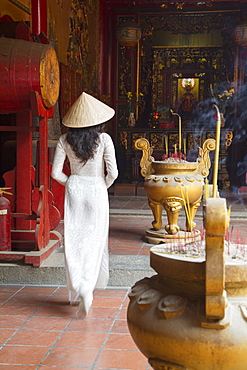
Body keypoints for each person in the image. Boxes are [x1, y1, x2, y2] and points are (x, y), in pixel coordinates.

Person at [51, 92, 118, 316]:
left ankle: (79, 284)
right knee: (95, 238)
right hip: (96, 189)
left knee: (74, 238)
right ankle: (87, 288)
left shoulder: (64, 140)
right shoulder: (105, 140)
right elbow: (114, 173)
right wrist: (101, 186)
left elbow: (55, 173)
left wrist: (70, 182)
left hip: (75, 189)